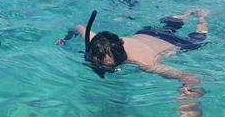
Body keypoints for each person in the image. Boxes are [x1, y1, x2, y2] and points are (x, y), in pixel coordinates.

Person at [55, 8, 210, 116]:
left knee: (199, 36)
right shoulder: (98, 44)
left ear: (122, 59)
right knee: (170, 24)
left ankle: (201, 16)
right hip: (147, 32)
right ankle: (186, 13)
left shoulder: (145, 62)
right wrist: (65, 39)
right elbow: (79, 28)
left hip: (175, 43)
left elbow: (190, 77)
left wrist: (189, 103)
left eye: (108, 67)